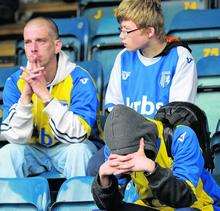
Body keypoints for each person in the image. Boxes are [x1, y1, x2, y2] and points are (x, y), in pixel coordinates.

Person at [87, 0, 197, 176]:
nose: (121, 36)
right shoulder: (122, 58)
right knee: (95, 167)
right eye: (120, 30)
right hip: (126, 143)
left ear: (150, 31)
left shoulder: (180, 57)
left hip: (164, 144)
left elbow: (178, 117)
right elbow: (112, 109)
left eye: (127, 30)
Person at [0, 17, 98, 178]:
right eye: (28, 42)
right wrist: (26, 96)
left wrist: (45, 96)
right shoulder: (15, 82)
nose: (33, 48)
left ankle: (79, 203)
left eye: (41, 41)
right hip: (34, 150)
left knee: (79, 151)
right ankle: (13, 204)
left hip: (69, 149)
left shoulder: (80, 79)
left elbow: (79, 135)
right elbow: (15, 137)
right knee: (7, 154)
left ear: (57, 46)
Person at [92, 105, 220, 211]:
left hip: (195, 205)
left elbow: (185, 198)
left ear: (143, 143)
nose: (124, 160)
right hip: (152, 207)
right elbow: (113, 205)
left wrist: (152, 169)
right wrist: (104, 181)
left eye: (128, 155)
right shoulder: (114, 149)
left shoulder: (181, 136)